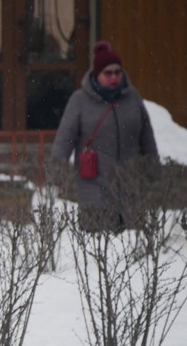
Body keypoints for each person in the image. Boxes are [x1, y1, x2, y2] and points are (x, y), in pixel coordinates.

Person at [51, 41, 159, 233]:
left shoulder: (132, 97)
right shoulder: (80, 100)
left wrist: (153, 170)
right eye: (107, 73)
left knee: (132, 245)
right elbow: (64, 138)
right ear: (96, 74)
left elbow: (146, 137)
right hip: (94, 184)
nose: (114, 77)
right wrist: (57, 172)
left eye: (117, 72)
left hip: (131, 185)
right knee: (98, 245)